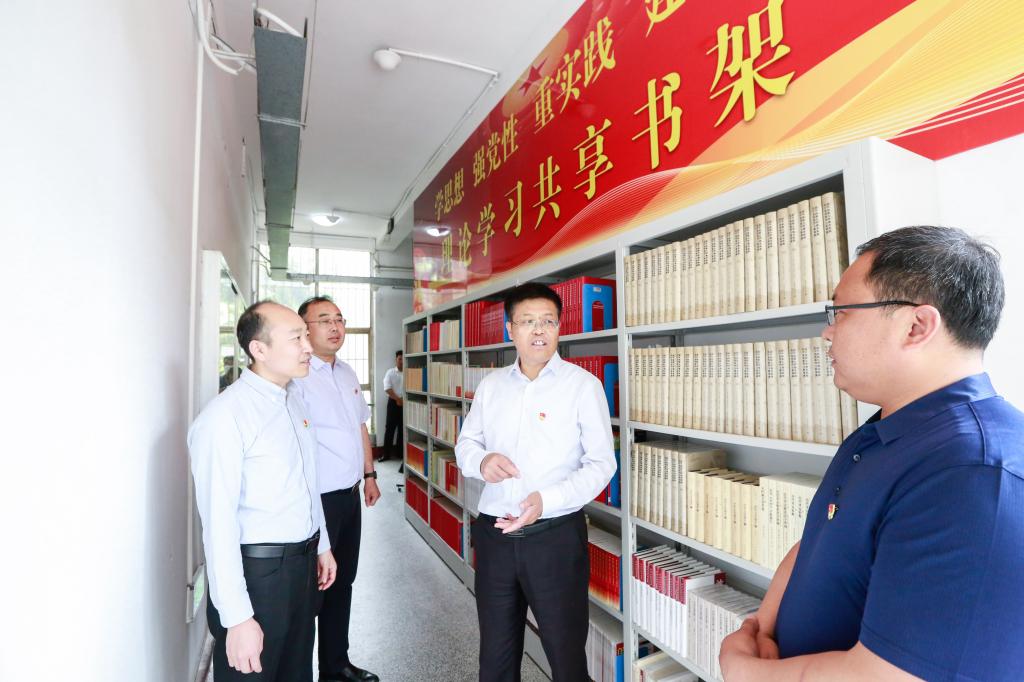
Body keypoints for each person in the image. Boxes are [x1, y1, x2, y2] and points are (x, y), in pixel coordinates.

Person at [720, 225, 1024, 681]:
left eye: (842, 311)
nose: (827, 332)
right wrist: (760, 626)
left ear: (916, 326)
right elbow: (821, 540)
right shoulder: (885, 429)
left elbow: (887, 675)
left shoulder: (973, 472)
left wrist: (744, 671)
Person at [455, 282, 617, 682]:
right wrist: (482, 461)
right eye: (527, 321)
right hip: (494, 536)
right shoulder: (492, 386)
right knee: (495, 657)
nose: (539, 330)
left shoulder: (583, 386)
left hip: (554, 538)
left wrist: (547, 499)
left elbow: (601, 464)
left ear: (560, 327)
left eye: (548, 321)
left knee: (566, 658)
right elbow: (466, 444)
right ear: (510, 329)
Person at [188, 301, 337, 682]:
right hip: (259, 577)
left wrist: (321, 546)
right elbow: (218, 526)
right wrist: (237, 618)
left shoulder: (293, 400)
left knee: (296, 672)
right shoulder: (224, 418)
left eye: (306, 336)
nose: (308, 346)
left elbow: (307, 482)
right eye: (296, 338)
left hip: (302, 567)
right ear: (259, 349)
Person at [293, 296, 381, 682]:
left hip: (348, 496)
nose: (335, 327)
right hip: (317, 500)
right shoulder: (297, 376)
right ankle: (299, 671)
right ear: (304, 329)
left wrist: (369, 474)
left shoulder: (346, 372)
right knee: (313, 589)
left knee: (342, 581)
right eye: (325, 320)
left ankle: (335, 666)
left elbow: (360, 425)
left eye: (340, 319)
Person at [380, 350, 404, 462]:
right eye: (400, 359)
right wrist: (398, 399)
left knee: (402, 430)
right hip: (393, 403)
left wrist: (402, 401)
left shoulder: (408, 372)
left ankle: (400, 454)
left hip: (405, 403)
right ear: (396, 359)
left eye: (403, 359)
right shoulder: (390, 372)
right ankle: (386, 455)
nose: (402, 361)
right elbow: (387, 388)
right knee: (389, 429)